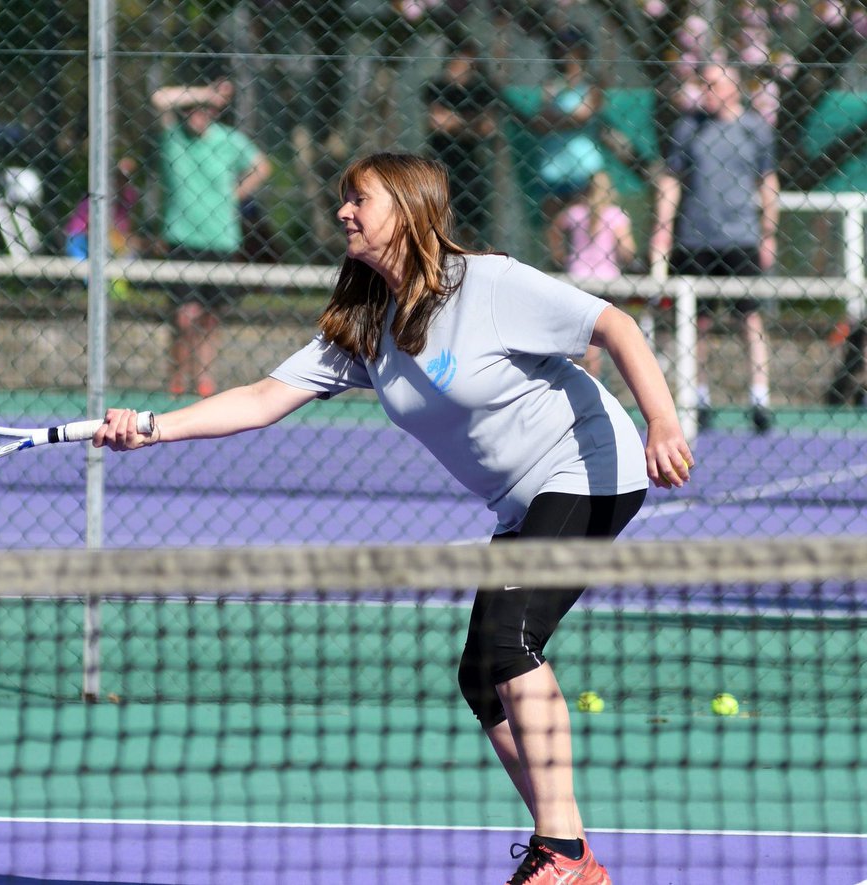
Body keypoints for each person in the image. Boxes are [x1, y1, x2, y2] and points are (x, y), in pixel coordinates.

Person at [94, 153, 694, 885]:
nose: (344, 211)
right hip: (522, 499)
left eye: (360, 200)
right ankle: (571, 854)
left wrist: (662, 419)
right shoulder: (367, 323)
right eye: (343, 199)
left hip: (590, 467)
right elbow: (259, 397)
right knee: (482, 677)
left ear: (408, 210)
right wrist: (152, 425)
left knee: (511, 642)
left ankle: (564, 853)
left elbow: (614, 324)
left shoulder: (489, 284)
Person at [650, 61, 779, 433]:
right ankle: (699, 398)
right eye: (701, 84)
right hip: (695, 237)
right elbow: (671, 180)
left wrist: (768, 232)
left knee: (749, 319)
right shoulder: (688, 127)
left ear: (732, 86)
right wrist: (662, 230)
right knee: (697, 320)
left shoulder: (755, 129)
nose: (704, 91)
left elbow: (767, 183)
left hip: (741, 237)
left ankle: (759, 399)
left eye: (712, 84)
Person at [151, 80, 272, 398]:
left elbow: (261, 166)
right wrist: (206, 92)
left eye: (207, 110)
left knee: (209, 317)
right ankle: (177, 377)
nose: (199, 114)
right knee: (184, 315)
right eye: (193, 108)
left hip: (220, 239)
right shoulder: (174, 139)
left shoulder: (229, 140)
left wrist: (234, 196)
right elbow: (160, 97)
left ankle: (205, 380)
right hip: (182, 237)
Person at [547, 170, 636, 377]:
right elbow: (627, 249)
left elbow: (554, 230)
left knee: (581, 333)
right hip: (606, 280)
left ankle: (581, 376)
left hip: (577, 277)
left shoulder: (575, 212)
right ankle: (592, 378)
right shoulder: (615, 215)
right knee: (599, 333)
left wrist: (559, 254)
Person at [425, 39, 501, 246]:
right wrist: (470, 122)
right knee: (438, 213)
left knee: (471, 219)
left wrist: (455, 121)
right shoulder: (438, 86)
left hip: (471, 163)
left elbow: (487, 127)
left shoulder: (481, 89)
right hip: (440, 160)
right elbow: (438, 122)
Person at [527, 27, 608, 223]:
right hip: (553, 168)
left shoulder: (592, 85)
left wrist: (555, 120)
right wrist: (565, 120)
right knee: (555, 231)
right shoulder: (551, 85)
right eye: (561, 50)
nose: (566, 55)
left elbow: (583, 117)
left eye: (571, 50)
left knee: (590, 226)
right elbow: (540, 123)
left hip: (585, 167)